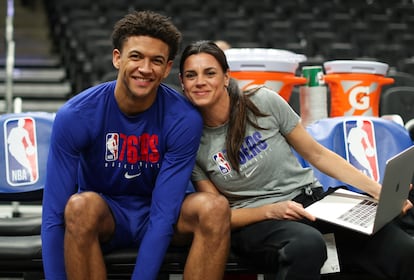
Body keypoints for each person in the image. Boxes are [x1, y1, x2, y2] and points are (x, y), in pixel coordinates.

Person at [179, 40, 414, 280]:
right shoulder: (189, 141)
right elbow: (220, 214)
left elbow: (317, 154)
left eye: (210, 73)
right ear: (182, 83)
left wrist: (377, 191)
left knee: (403, 248)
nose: (200, 82)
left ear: (226, 77)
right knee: (307, 245)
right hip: (255, 222)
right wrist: (270, 211)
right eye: (191, 75)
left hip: (310, 202)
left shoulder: (262, 101)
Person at [41, 12, 231, 280]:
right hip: (106, 215)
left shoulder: (184, 118)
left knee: (215, 208)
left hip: (162, 213)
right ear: (117, 58)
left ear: (167, 68)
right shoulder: (76, 114)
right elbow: (53, 216)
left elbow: (163, 214)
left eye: (156, 61)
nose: (145, 68)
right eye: (136, 56)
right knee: (79, 207)